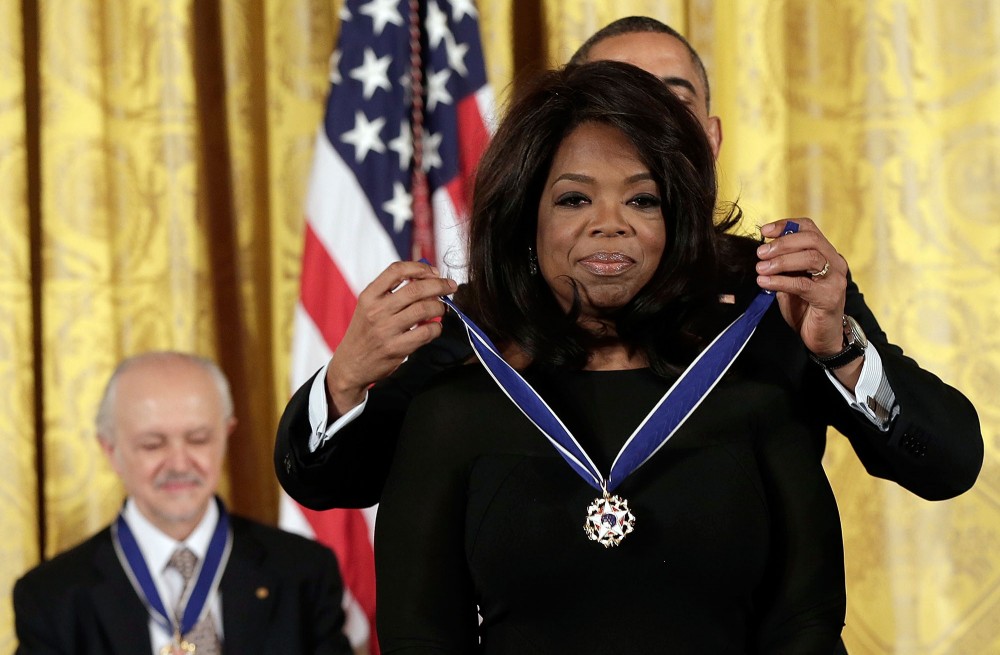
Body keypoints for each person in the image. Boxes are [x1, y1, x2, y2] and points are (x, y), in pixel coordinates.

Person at [274, 16, 982, 510]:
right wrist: (343, 382)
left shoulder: (782, 287)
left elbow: (946, 464)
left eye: (668, 108)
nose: (640, 132)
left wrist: (846, 356)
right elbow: (331, 479)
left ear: (709, 138)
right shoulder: (499, 302)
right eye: (611, 105)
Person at [375, 60, 846, 652]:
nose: (610, 225)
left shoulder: (758, 393)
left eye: (643, 200)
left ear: (678, 223)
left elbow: (808, 624)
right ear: (528, 220)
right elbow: (417, 637)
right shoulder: (451, 412)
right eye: (574, 199)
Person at [13, 352, 353, 655]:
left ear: (225, 436)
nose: (178, 463)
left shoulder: (303, 572)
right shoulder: (50, 596)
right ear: (110, 450)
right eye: (152, 444)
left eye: (198, 439)